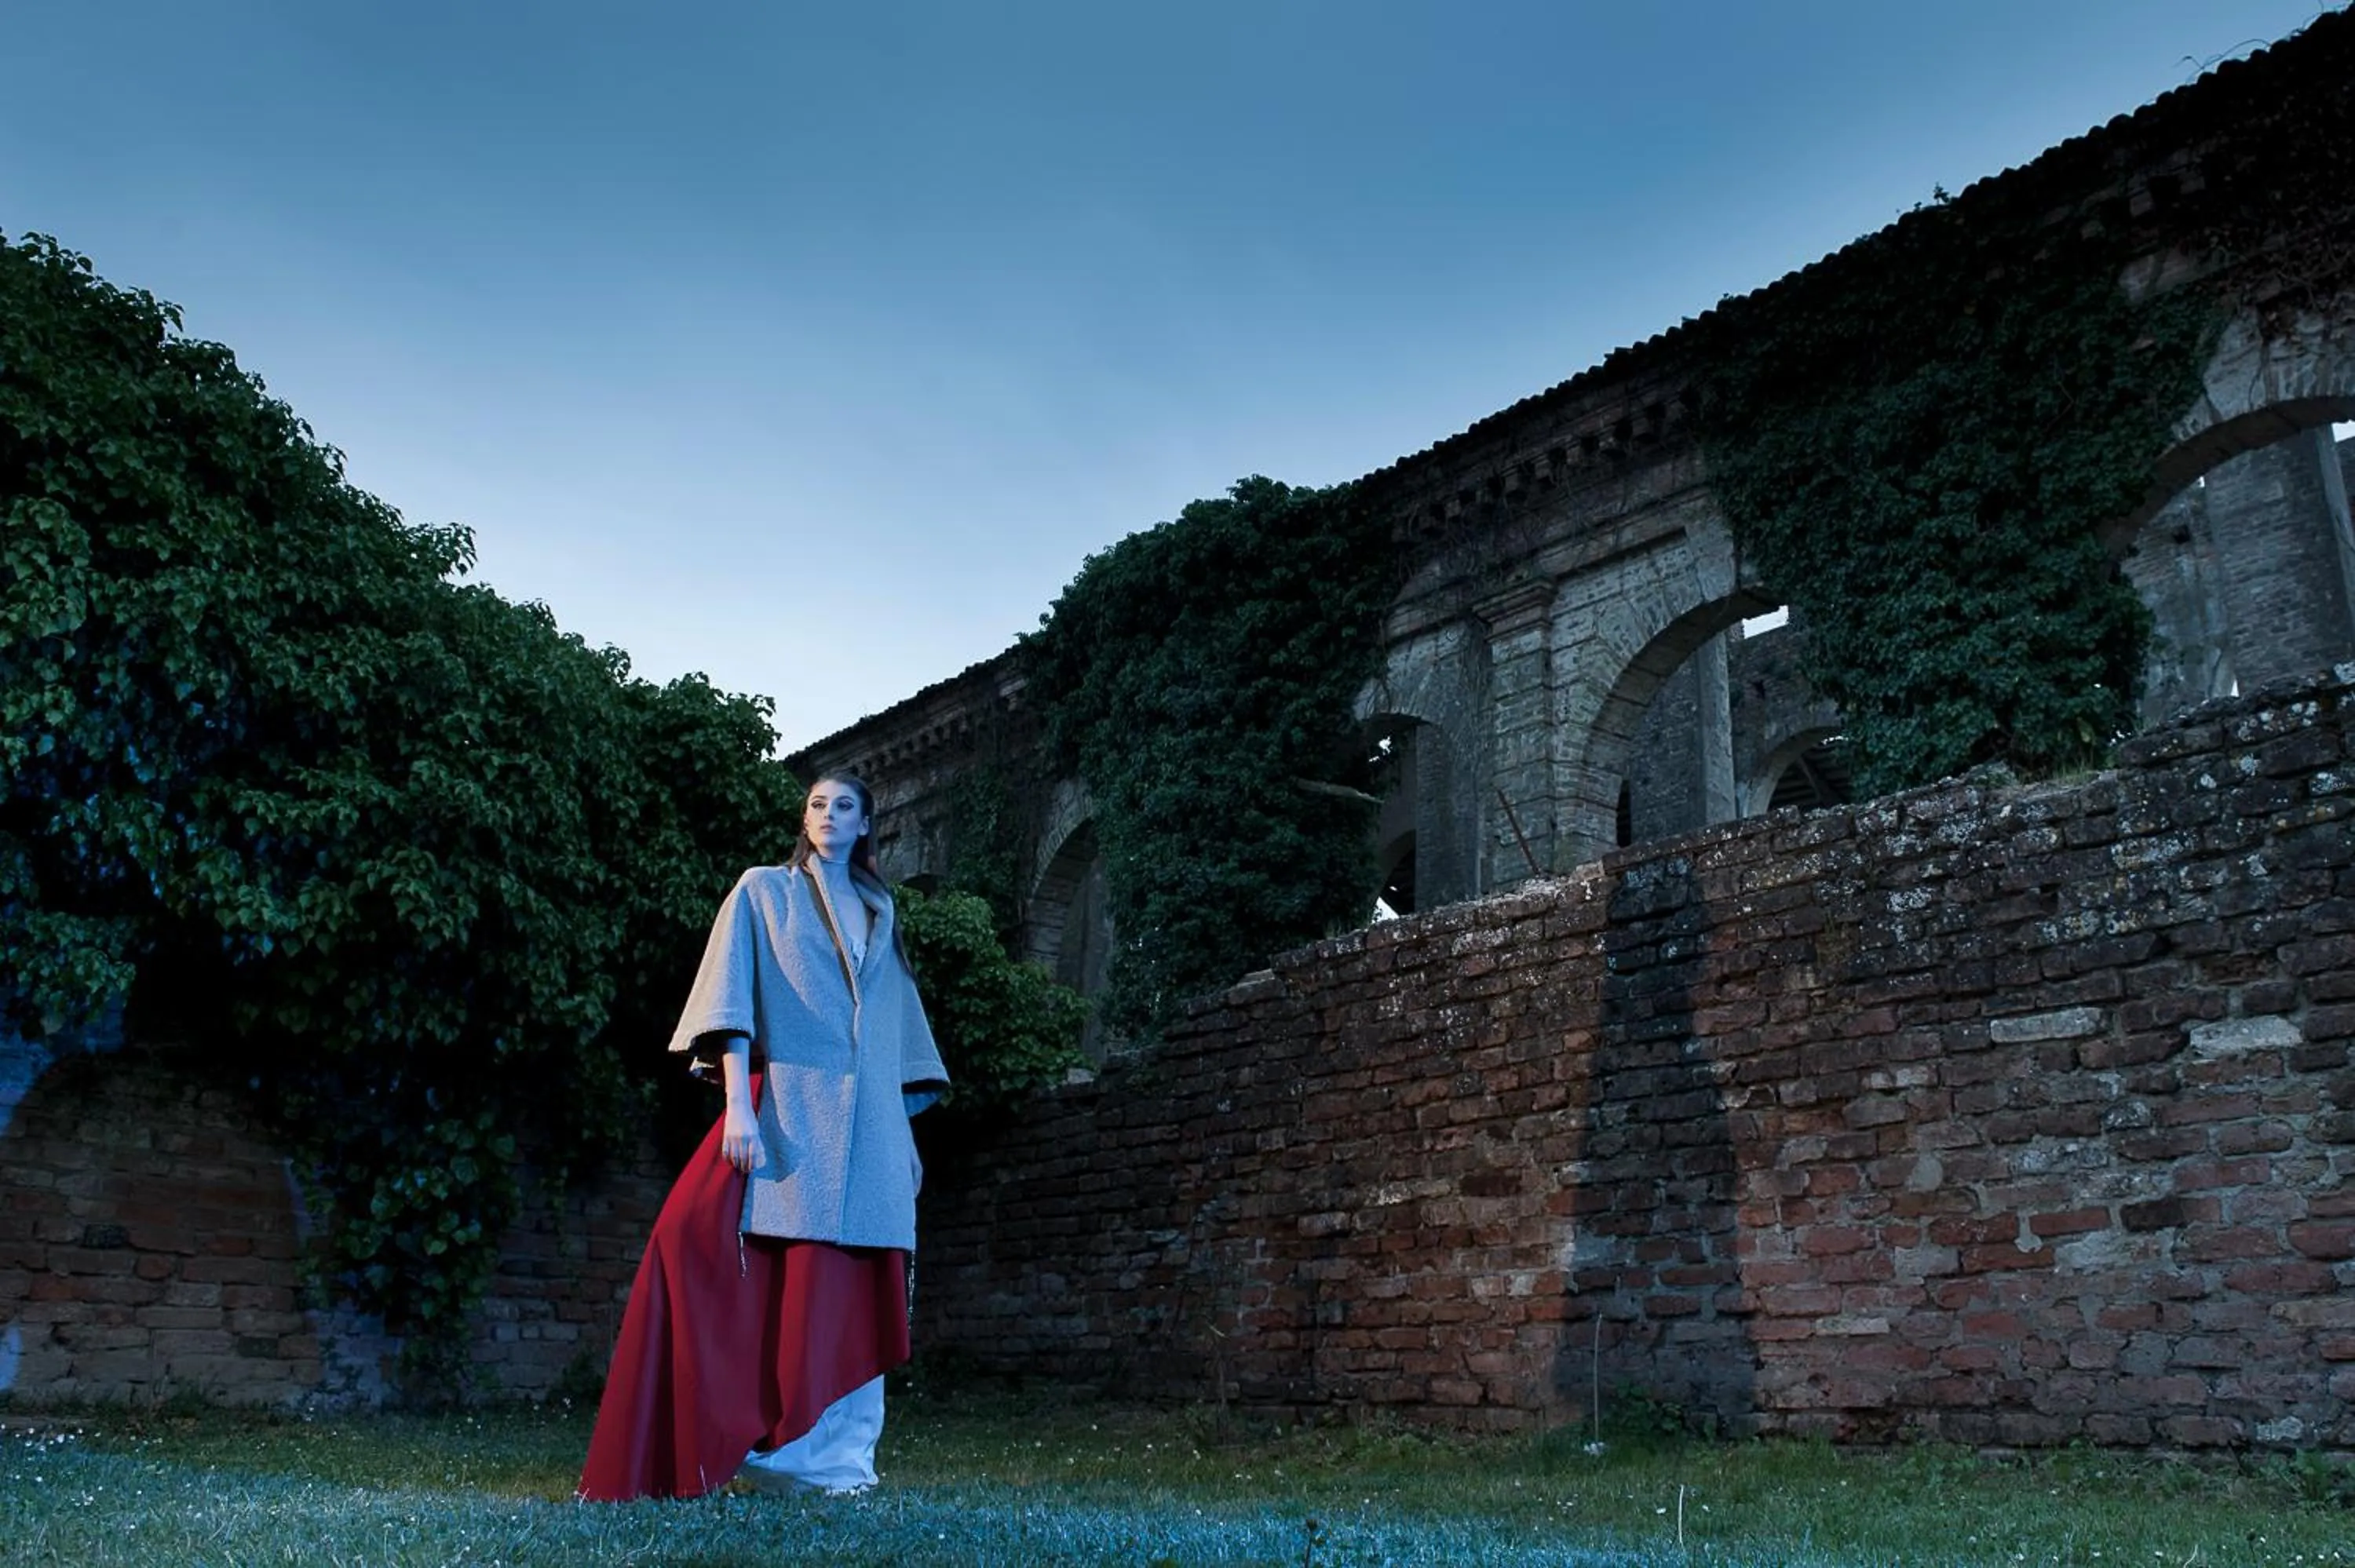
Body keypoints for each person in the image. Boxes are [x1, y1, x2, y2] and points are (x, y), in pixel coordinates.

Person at [579, 775, 949, 1501]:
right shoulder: (763, 891)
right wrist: (740, 1109)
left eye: (844, 806)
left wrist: (903, 1133)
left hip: (872, 1127)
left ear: (868, 822)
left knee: (858, 1278)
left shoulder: (880, 905)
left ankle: (840, 1465)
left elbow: (891, 1023)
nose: (828, 816)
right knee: (695, 1241)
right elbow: (733, 993)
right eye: (816, 804)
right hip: (789, 1107)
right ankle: (757, 1445)